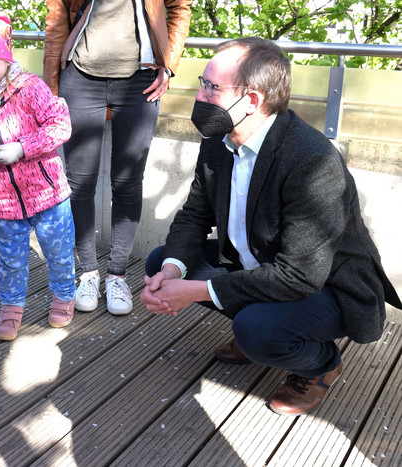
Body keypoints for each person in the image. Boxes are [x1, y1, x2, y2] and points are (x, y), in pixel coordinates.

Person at [141, 37, 402, 416]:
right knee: (160, 261)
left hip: (329, 284)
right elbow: (195, 215)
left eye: (212, 87)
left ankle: (320, 363)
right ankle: (257, 329)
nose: (200, 95)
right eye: (203, 81)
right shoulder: (219, 138)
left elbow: (299, 275)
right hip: (263, 265)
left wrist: (194, 290)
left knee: (256, 330)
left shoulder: (312, 161)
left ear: (251, 100)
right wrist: (172, 272)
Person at [43, 0, 192, 316]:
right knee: (79, 183)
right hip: (80, 77)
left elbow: (180, 8)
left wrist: (169, 64)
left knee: (127, 182)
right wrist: (53, 80)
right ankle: (88, 274)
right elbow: (57, 13)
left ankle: (117, 275)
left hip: (141, 79)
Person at [0, 10, 75, 341]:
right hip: (3, 201)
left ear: (5, 58)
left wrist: (23, 148)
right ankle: (11, 307)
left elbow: (60, 125)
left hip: (48, 194)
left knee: (58, 251)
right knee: (10, 261)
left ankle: (64, 295)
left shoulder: (31, 88)